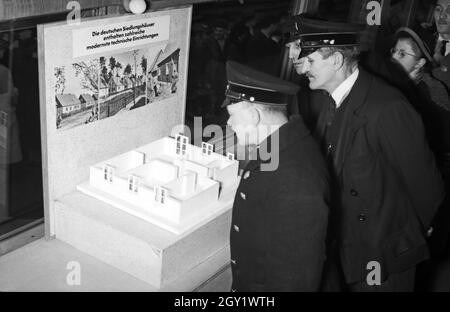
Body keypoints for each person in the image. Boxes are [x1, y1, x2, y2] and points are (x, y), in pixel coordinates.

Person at [287, 17, 445, 291]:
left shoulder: (387, 107)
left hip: (382, 256)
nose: (304, 70)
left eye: (310, 61)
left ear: (336, 60)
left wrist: (401, 237)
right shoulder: (330, 100)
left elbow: (427, 188)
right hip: (347, 249)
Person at [224, 61, 330, 291]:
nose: (229, 123)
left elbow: (295, 278)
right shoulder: (280, 146)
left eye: (233, 116)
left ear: (253, 116)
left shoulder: (295, 178)